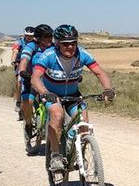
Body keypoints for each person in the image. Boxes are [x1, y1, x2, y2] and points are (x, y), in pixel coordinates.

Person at [30, 24, 114, 172]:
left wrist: (107, 89)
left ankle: (79, 154)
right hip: (52, 94)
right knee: (57, 115)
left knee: (83, 121)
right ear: (57, 44)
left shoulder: (82, 54)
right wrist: (44, 91)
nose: (70, 47)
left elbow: (100, 72)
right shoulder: (49, 56)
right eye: (65, 44)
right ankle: (55, 155)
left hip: (73, 95)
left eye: (73, 43)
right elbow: (35, 77)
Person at [16, 23, 53, 135]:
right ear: (39, 38)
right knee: (28, 101)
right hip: (30, 78)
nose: (49, 40)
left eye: (50, 37)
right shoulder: (31, 46)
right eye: (46, 38)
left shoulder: (52, 47)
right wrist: (22, 71)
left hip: (47, 80)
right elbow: (24, 59)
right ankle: (28, 123)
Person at [10, 26, 35, 119]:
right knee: (20, 82)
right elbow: (15, 51)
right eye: (27, 35)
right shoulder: (19, 42)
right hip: (20, 63)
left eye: (31, 36)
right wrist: (13, 60)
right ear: (24, 34)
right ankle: (19, 101)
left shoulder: (35, 42)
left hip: (32, 64)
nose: (29, 37)